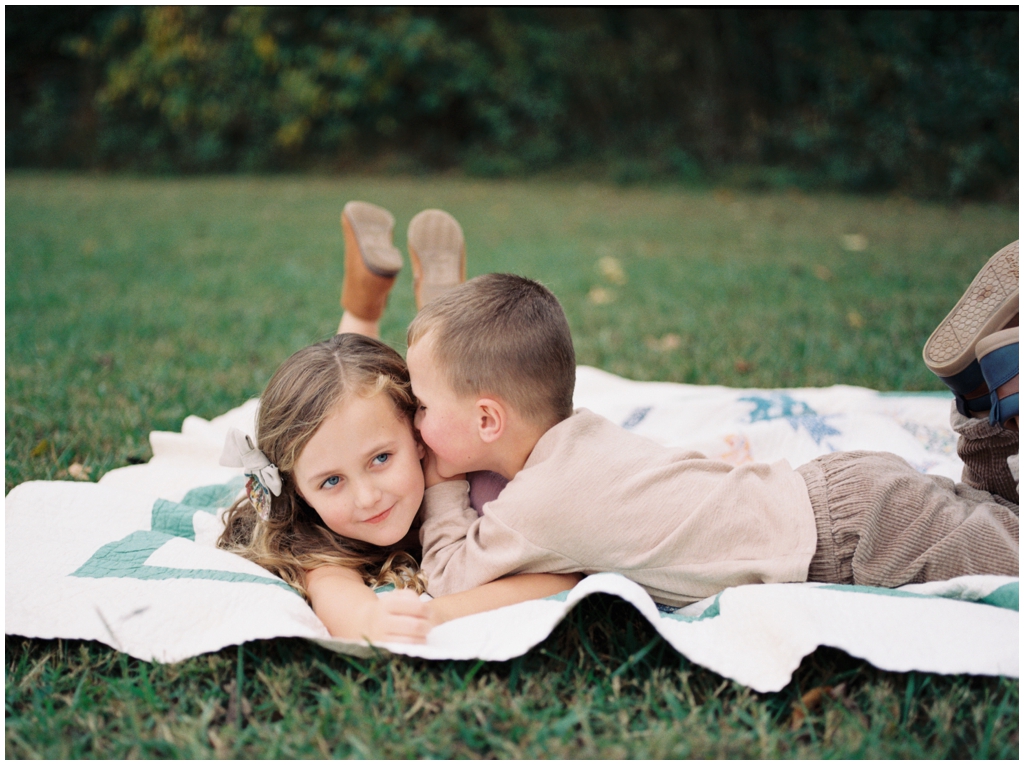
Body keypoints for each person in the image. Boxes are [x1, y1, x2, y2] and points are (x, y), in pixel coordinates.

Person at [407, 243, 1019, 607]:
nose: (415, 419)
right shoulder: (581, 435)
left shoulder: (540, 503)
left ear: (489, 418)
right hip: (839, 492)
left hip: (848, 544)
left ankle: (1003, 396)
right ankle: (981, 399)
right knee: (993, 511)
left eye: (424, 406)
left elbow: (451, 579)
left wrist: (438, 484)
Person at [218, 201, 579, 643]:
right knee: (347, 392)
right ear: (300, 492)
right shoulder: (317, 535)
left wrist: (441, 613)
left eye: (381, 459)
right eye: (331, 482)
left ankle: (430, 313)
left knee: (427, 385)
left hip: (438, 428)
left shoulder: (470, 461)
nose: (368, 497)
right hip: (373, 424)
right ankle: (383, 299)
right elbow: (338, 597)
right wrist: (371, 622)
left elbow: (565, 575)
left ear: (418, 432)